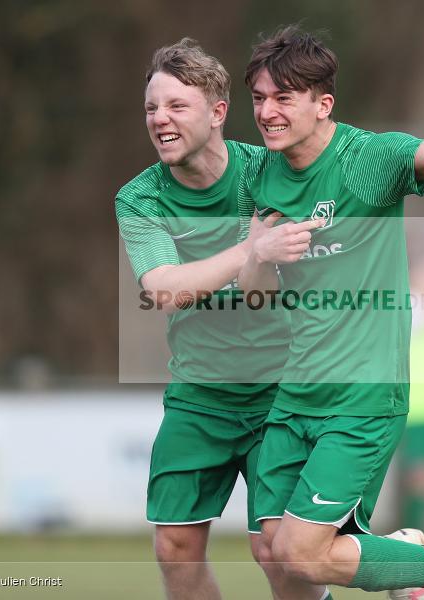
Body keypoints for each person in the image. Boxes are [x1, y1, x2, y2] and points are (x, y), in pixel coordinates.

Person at [238, 26, 424, 599]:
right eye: (258, 98)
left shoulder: (365, 160)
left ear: (323, 104)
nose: (267, 112)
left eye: (282, 97)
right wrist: (256, 251)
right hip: (295, 392)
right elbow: (255, 288)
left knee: (301, 552)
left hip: (363, 397)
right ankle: (402, 557)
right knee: (271, 550)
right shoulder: (261, 176)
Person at [114, 39, 323, 600]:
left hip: (282, 393)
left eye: (176, 106)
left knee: (278, 553)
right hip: (200, 393)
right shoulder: (139, 199)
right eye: (152, 109)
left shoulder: (270, 174)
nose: (160, 119)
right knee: (174, 548)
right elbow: (162, 290)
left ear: (218, 112)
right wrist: (249, 250)